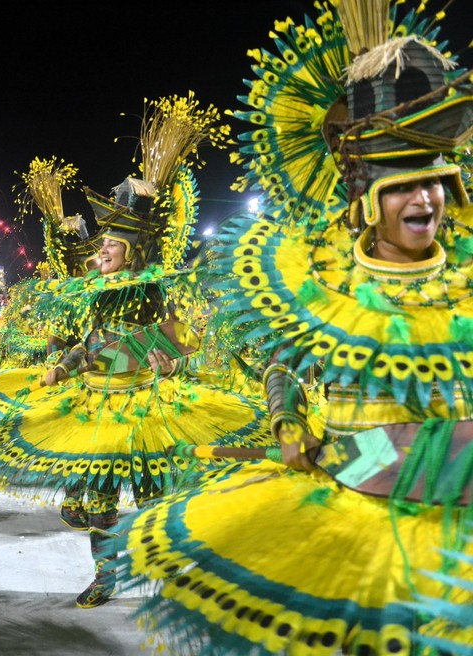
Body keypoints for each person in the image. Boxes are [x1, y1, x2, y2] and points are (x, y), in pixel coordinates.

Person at [111, 2, 473, 653]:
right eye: (404, 186)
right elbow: (289, 366)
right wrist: (287, 426)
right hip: (347, 505)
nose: (425, 200)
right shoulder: (323, 278)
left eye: (437, 181)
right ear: (364, 192)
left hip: (453, 516)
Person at [0, 94, 270, 609]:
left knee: (154, 499)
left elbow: (185, 344)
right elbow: (89, 346)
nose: (100, 251)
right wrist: (61, 369)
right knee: (98, 504)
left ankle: (164, 574)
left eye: (109, 245)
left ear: (132, 249)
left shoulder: (153, 292)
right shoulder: (93, 294)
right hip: (94, 409)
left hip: (143, 411)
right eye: (100, 246)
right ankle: (105, 577)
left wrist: (169, 360)